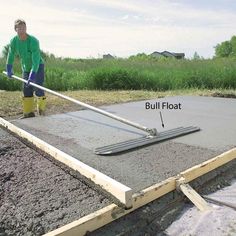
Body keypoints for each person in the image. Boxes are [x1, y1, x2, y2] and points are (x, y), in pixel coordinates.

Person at [6, 19, 46, 118]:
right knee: (26, 90)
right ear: (16, 29)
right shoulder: (14, 41)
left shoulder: (33, 41)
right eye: (20, 28)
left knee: (38, 89)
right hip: (25, 68)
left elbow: (36, 60)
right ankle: (29, 114)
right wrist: (9, 68)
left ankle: (41, 113)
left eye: (24, 28)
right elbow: (10, 55)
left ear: (26, 28)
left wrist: (33, 75)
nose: (22, 30)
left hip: (38, 66)